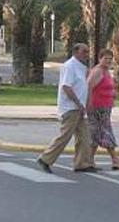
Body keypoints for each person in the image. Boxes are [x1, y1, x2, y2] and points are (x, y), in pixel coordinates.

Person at [37, 43, 97, 173]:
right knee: (65, 135)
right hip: (71, 108)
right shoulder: (70, 66)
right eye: (84, 51)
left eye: (88, 52)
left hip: (79, 108)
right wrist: (78, 103)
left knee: (84, 136)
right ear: (76, 52)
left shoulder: (81, 67)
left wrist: (86, 104)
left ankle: (81, 163)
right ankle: (45, 159)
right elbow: (66, 87)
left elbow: (83, 86)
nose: (87, 54)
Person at [87, 49, 119, 170]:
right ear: (100, 59)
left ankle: (90, 160)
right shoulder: (98, 71)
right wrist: (89, 103)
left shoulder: (106, 72)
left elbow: (107, 87)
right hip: (97, 107)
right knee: (105, 132)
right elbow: (88, 86)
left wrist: (112, 97)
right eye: (105, 58)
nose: (108, 61)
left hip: (105, 107)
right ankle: (115, 159)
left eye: (110, 59)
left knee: (97, 133)